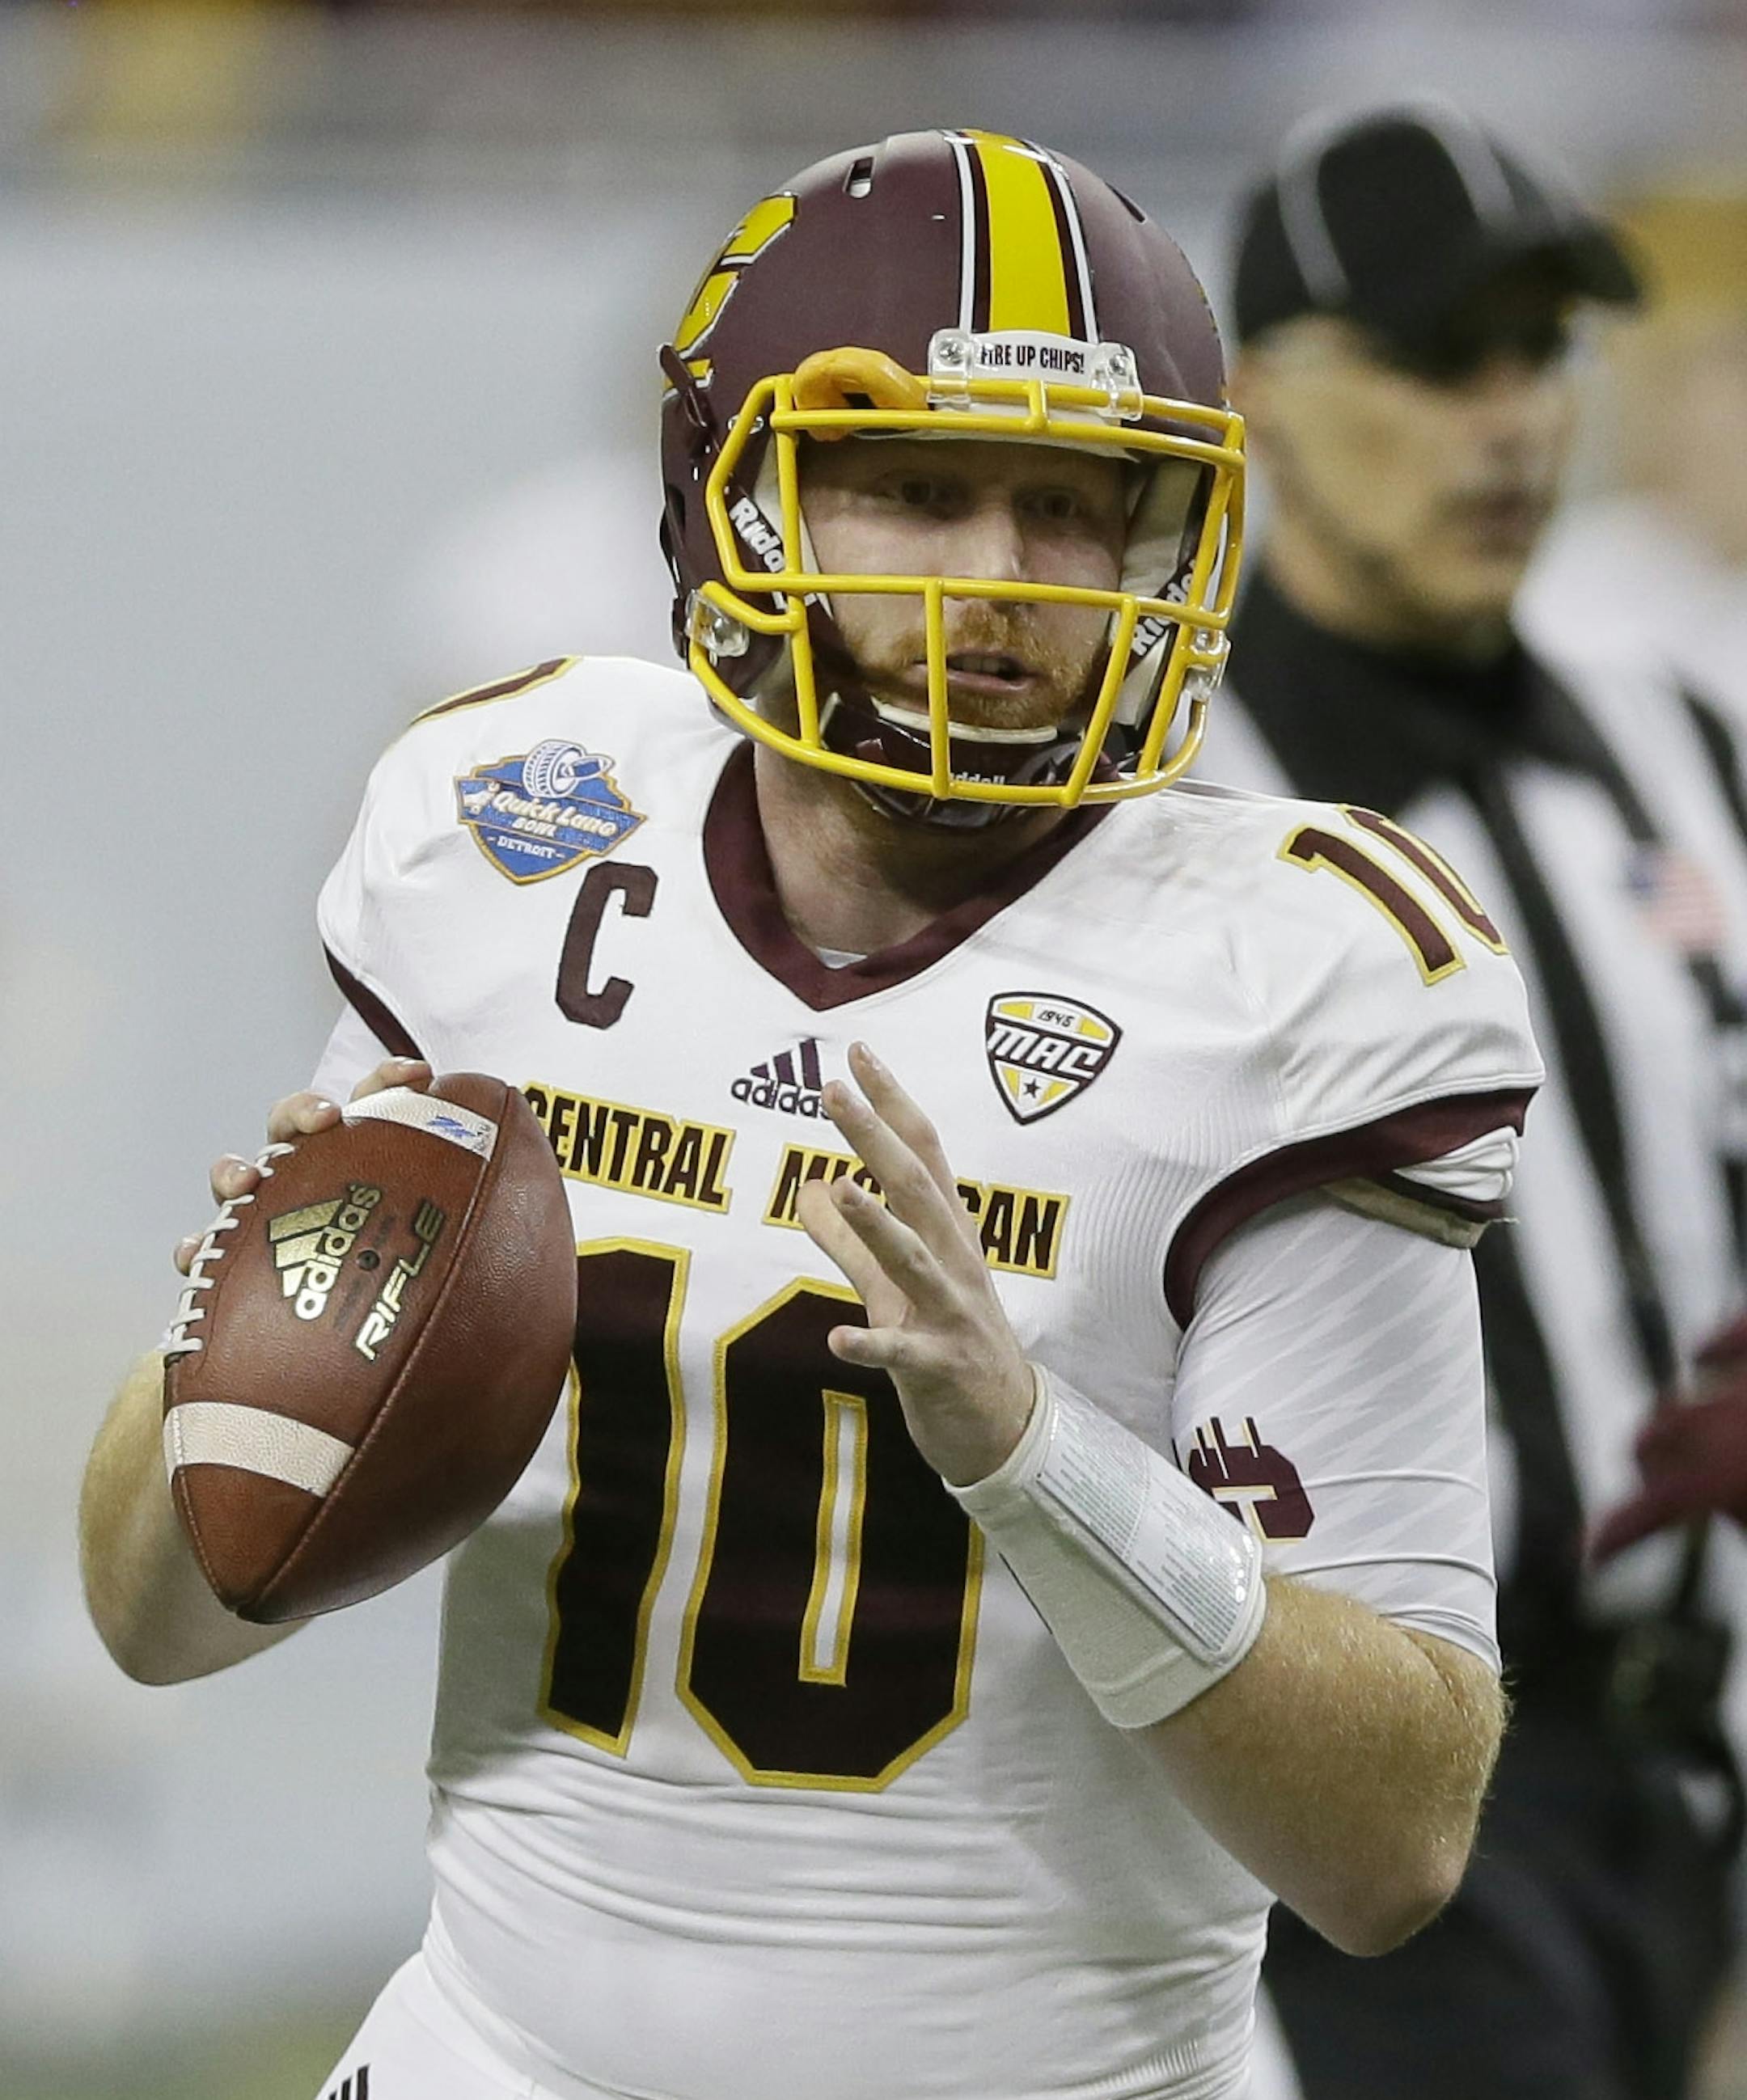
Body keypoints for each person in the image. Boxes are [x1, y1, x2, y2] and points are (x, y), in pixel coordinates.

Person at [80, 129, 1538, 2100]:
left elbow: (1396, 1847)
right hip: (497, 2057)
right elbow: (149, 1619)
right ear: (740, 498)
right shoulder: (509, 836)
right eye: (921, 493)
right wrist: (250, 1392)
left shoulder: (1298, 977)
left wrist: (1041, 1459)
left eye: (1071, 508)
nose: (1001, 585)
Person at [1201, 102, 1747, 2100]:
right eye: (1439, 362)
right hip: (1361, 1788)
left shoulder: (1672, 749)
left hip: (1678, 1761)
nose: (1511, 421)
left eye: (1542, 357)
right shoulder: (1174, 822)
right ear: (1257, 398)